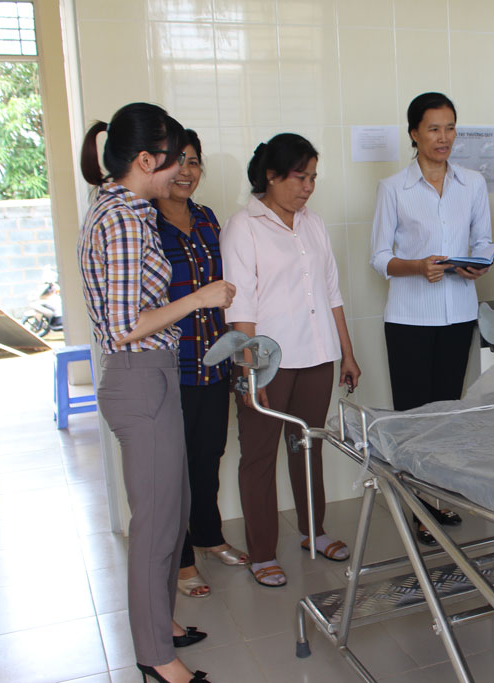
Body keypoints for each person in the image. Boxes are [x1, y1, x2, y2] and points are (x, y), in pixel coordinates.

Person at [78, 103, 235, 683]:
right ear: (146, 160)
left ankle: (160, 623)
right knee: (155, 524)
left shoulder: (125, 209)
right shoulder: (123, 218)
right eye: (174, 161)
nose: (182, 173)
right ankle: (155, 657)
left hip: (154, 372)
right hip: (139, 375)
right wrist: (200, 298)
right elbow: (125, 324)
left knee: (171, 513)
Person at [220, 133, 361, 587]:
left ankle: (313, 531)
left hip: (318, 355)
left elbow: (332, 293)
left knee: (307, 446)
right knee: (259, 456)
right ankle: (262, 552)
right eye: (300, 177)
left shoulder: (313, 224)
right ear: (271, 176)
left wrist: (347, 352)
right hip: (267, 362)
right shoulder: (243, 226)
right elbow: (240, 307)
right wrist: (249, 370)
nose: (308, 187)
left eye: (313, 178)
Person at [369, 92, 491, 545]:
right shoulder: (393, 188)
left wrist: (479, 263)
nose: (444, 137)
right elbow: (379, 257)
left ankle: (438, 499)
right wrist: (417, 266)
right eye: (434, 129)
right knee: (413, 419)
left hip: (458, 314)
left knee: (448, 415)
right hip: (409, 319)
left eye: (450, 127)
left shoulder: (472, 183)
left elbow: (483, 241)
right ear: (414, 134)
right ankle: (417, 505)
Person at [154, 129, 249, 600]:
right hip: (170, 364)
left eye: (194, 161)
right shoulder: (146, 224)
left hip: (213, 360)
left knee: (209, 454)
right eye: (178, 161)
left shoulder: (207, 218)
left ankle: (209, 535)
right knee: (175, 466)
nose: (186, 171)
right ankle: (181, 558)